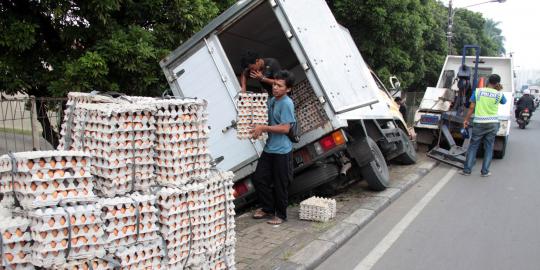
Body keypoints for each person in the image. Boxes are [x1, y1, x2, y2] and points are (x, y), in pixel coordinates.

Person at [251, 70, 296, 225]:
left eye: (279, 85)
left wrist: (263, 128)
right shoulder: (272, 100)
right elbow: (267, 121)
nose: (275, 87)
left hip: (282, 151)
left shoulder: (286, 103)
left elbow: (285, 128)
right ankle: (268, 208)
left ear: (288, 89)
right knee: (259, 179)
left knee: (280, 183)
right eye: (275, 84)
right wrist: (256, 128)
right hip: (270, 148)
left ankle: (281, 215)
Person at [461, 74, 507, 177]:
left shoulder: (478, 91)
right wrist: (497, 90)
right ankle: (485, 171)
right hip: (493, 124)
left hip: (479, 123)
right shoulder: (499, 94)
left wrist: (466, 120)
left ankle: (467, 170)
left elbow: (472, 107)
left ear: (488, 81)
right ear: (497, 83)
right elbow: (504, 102)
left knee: (473, 146)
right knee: (489, 147)